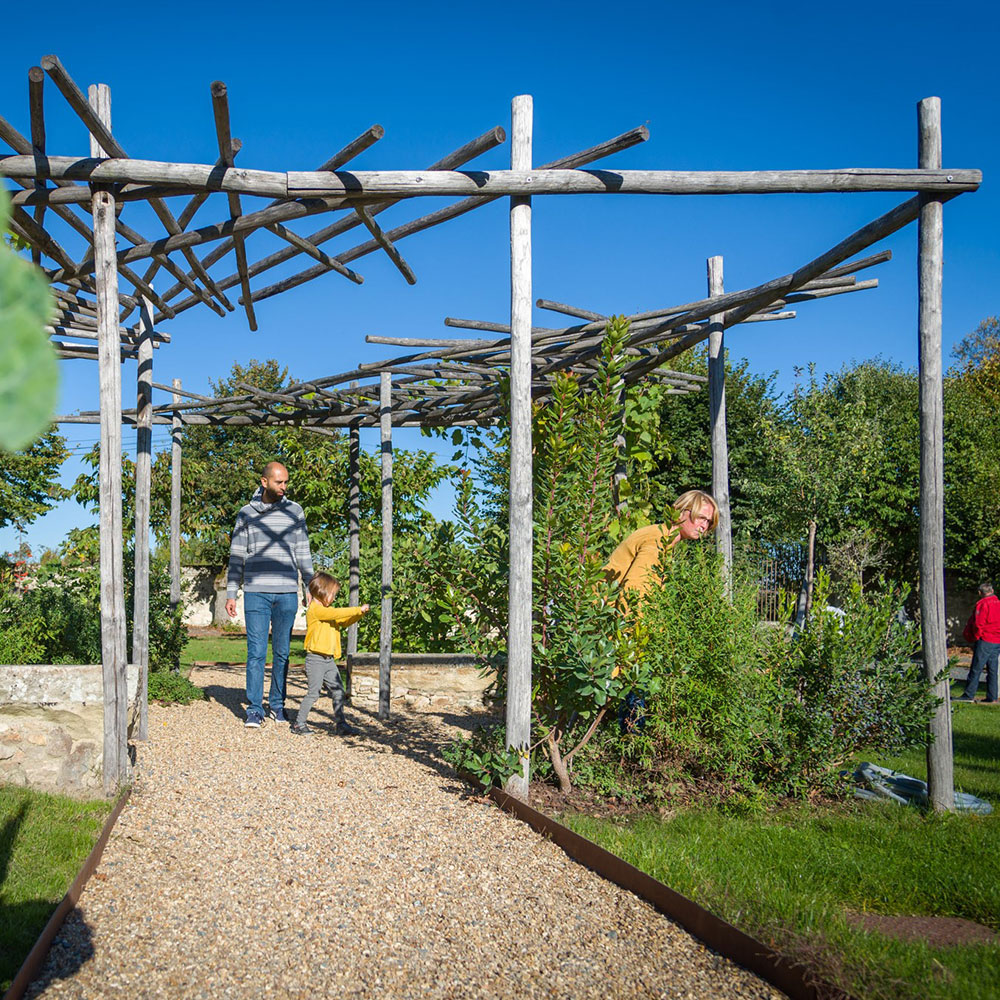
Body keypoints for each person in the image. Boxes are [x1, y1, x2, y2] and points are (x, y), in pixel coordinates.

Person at [603, 489, 719, 731]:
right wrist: (643, 644)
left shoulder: (666, 541)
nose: (705, 527)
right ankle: (630, 753)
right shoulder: (656, 540)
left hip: (618, 627)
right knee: (635, 701)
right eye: (702, 518)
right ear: (683, 512)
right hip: (609, 626)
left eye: (709, 523)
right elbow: (635, 595)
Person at [225, 461, 315, 728]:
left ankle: (277, 705)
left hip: (287, 592)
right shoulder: (246, 513)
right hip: (256, 592)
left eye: (286, 482)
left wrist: (308, 584)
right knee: (255, 652)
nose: (284, 487)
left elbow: (303, 551)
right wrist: (232, 593)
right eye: (279, 482)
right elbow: (237, 555)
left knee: (283, 652)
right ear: (264, 482)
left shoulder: (295, 511)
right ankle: (254, 709)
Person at [292, 573, 369, 736]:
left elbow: (343, 621)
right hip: (315, 659)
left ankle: (341, 724)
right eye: (332, 594)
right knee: (313, 693)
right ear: (321, 592)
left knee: (338, 691)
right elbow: (336, 614)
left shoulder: (327, 611)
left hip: (328, 660)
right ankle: (299, 724)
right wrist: (357, 609)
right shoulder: (316, 610)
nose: (334, 598)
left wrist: (359, 614)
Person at [956, 581, 1000, 704]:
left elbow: (978, 623)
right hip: (997, 640)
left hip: (985, 639)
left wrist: (975, 637)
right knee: (993, 669)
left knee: (976, 668)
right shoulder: (998, 603)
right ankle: (992, 696)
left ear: (980, 592)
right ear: (992, 591)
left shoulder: (982, 604)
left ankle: (969, 694)